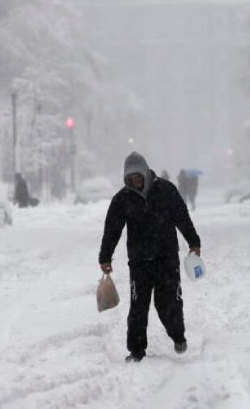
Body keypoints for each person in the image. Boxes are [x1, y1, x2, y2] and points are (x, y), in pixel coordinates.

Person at [99, 152, 201, 363]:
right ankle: (136, 351)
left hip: (167, 258)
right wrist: (105, 257)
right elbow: (112, 230)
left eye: (138, 176)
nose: (136, 181)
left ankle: (178, 336)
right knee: (138, 306)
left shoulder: (166, 190)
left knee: (169, 302)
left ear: (145, 172)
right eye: (131, 177)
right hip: (139, 261)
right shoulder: (122, 199)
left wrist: (194, 242)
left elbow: (182, 217)